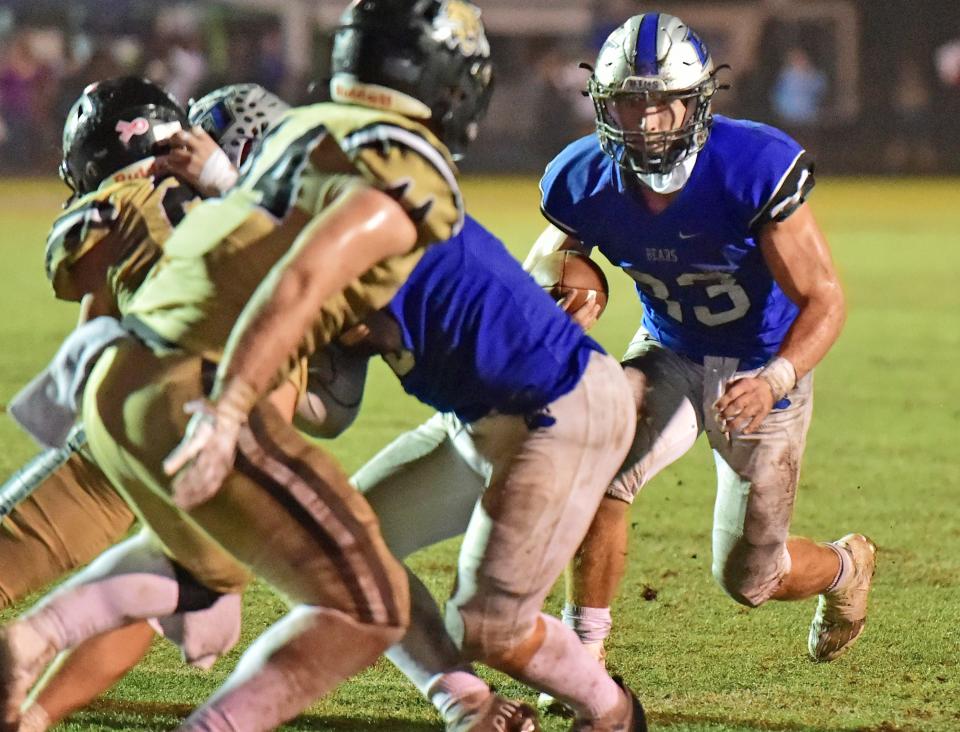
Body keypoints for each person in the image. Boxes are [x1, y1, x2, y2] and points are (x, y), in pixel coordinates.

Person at [0, 0, 493, 729]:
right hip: (210, 413)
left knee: (163, 574)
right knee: (334, 598)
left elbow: (86, 344)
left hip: (120, 408)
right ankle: (41, 697)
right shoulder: (329, 191)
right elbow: (327, 307)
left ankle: (31, 690)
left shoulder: (130, 203)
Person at [524, 11, 877, 678]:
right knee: (599, 470)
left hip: (762, 369)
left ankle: (844, 566)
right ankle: (582, 663)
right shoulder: (585, 175)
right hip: (668, 346)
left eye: (664, 103)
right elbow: (545, 259)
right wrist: (565, 282)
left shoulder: (750, 166)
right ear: (605, 104)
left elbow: (825, 299)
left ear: (697, 103)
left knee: (751, 578)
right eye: (631, 101)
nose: (648, 120)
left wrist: (775, 379)